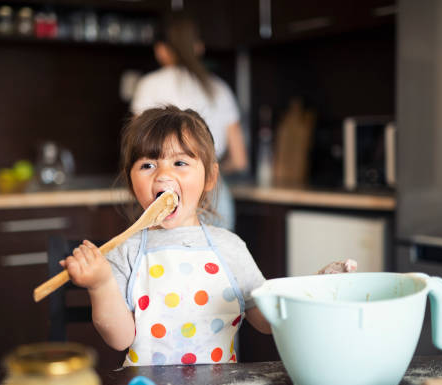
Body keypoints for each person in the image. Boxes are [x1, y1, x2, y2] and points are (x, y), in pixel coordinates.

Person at [62, 106, 355, 367]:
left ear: (210, 178)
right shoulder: (125, 251)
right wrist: (99, 285)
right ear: (130, 181)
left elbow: (267, 321)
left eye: (180, 163)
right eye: (148, 165)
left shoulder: (230, 248)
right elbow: (120, 337)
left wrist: (316, 288)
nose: (163, 175)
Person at [130, 12, 247, 230]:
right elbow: (239, 160)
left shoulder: (149, 85)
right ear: (199, 47)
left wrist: (153, 167)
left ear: (161, 50)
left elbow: (137, 147)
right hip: (218, 200)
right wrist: (199, 169)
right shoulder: (219, 89)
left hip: (165, 195)